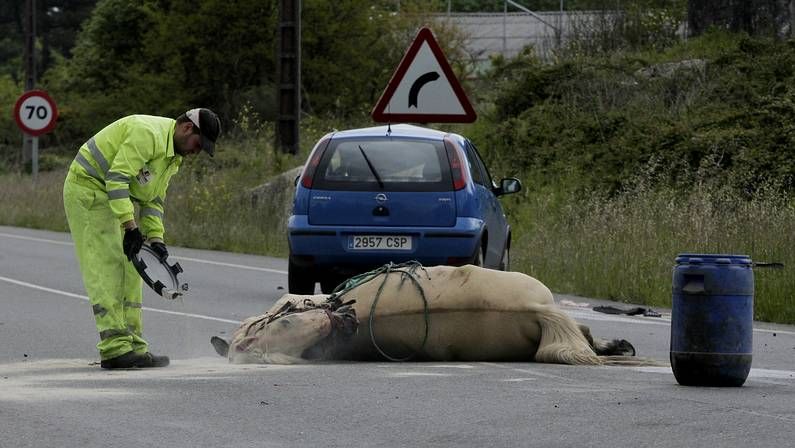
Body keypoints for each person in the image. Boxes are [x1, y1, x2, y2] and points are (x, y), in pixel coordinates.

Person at [62, 108, 221, 369]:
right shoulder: (147, 134)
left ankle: (134, 345)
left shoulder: (173, 158)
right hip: (88, 188)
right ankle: (114, 348)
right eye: (198, 144)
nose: (197, 151)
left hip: (113, 195)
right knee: (108, 266)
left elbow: (153, 200)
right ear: (187, 128)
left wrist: (155, 238)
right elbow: (116, 179)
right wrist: (131, 227)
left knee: (134, 267)